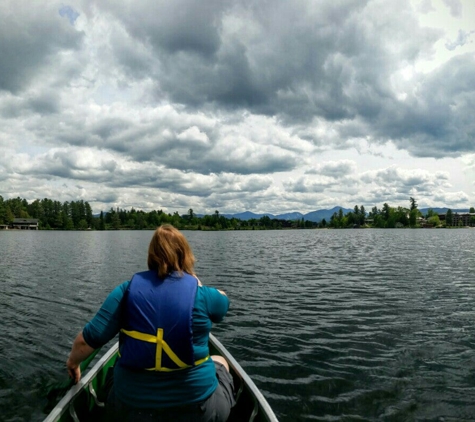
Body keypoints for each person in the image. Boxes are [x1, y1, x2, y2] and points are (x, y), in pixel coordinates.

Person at [66, 224, 235, 421]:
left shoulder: (126, 291)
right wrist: (196, 283)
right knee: (221, 361)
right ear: (185, 255)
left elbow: (86, 341)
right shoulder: (203, 295)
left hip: (129, 410)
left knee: (115, 372)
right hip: (198, 411)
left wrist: (73, 363)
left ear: (152, 256)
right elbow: (223, 304)